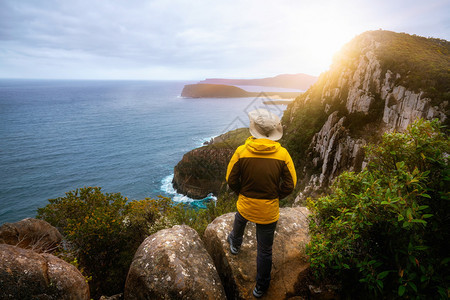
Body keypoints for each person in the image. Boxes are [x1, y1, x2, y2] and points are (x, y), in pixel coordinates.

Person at [225, 108, 297, 298]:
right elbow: (291, 184)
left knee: (240, 218)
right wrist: (276, 196)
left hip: (246, 204)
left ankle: (235, 243)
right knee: (264, 250)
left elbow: (230, 178)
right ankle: (261, 287)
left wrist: (242, 192)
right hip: (268, 211)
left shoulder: (241, 151)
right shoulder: (282, 154)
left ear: (254, 130)